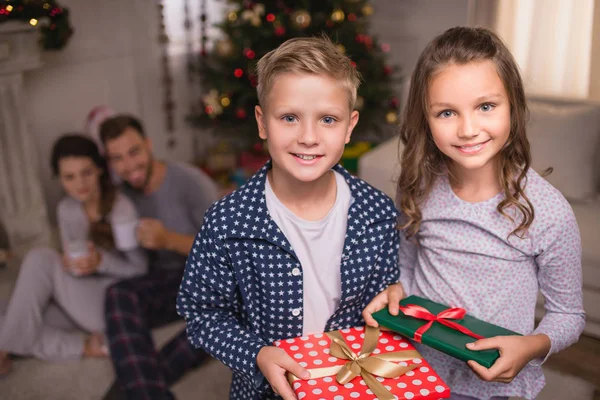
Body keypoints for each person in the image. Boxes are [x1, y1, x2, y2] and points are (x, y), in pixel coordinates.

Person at [363, 27, 585, 400]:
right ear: (425, 118)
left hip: (497, 387)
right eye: (447, 112)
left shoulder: (548, 211)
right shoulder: (416, 185)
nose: (468, 130)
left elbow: (569, 315)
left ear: (512, 104)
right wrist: (396, 291)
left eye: (486, 106)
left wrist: (530, 346)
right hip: (416, 372)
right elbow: (408, 264)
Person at [176, 36, 401, 400]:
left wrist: (392, 293)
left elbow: (385, 294)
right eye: (290, 118)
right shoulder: (228, 222)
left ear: (349, 127)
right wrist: (256, 354)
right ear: (263, 123)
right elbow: (202, 314)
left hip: (354, 388)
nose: (308, 137)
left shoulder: (377, 213)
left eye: (328, 119)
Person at [0, 134, 147, 376]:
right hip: (77, 295)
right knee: (10, 312)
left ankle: (4, 349)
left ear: (99, 169)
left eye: (86, 172)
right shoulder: (66, 209)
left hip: (112, 302)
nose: (80, 183)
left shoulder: (121, 209)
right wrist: (67, 267)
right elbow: (73, 264)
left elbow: (140, 270)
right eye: (69, 176)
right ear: (60, 178)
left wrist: (102, 262)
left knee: (40, 259)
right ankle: (81, 347)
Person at [99, 115, 218, 400]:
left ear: (149, 145)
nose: (129, 166)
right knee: (117, 296)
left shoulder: (190, 182)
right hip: (167, 280)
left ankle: (128, 393)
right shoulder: (123, 196)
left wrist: (169, 240)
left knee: (209, 330)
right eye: (117, 158)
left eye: (134, 152)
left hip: (211, 279)